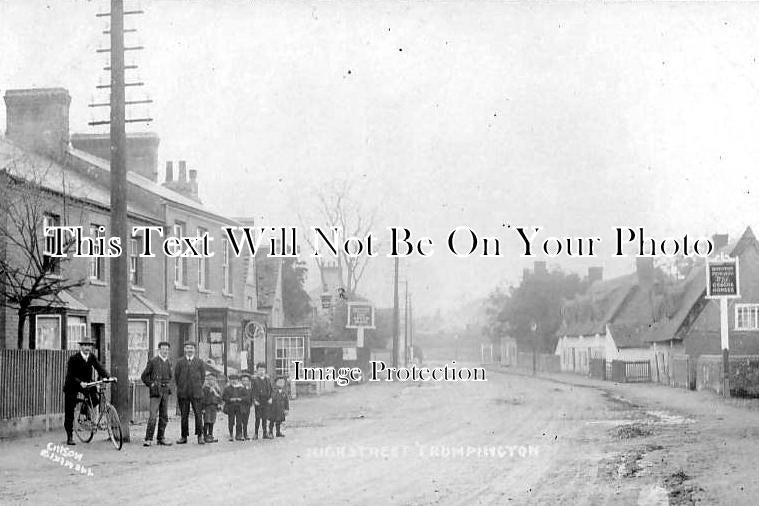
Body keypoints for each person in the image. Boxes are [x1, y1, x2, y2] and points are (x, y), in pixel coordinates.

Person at [63, 336, 110, 446]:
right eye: (84, 345)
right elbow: (70, 375)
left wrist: (107, 376)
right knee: (69, 410)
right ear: (81, 347)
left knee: (95, 399)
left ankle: (85, 409)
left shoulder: (91, 357)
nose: (87, 348)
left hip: (87, 383)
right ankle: (69, 435)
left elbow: (99, 367)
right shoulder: (73, 359)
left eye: (89, 345)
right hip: (73, 384)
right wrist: (80, 383)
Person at [140, 341, 173, 447]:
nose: (165, 351)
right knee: (153, 416)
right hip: (155, 392)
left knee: (164, 416)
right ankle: (148, 438)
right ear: (159, 350)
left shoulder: (168, 362)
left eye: (167, 349)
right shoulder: (153, 361)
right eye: (163, 349)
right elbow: (144, 376)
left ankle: (161, 438)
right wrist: (151, 384)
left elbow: (170, 376)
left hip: (165, 392)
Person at [174, 342, 206, 445]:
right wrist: (181, 388)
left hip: (196, 393)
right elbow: (176, 376)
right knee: (184, 415)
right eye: (187, 348)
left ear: (194, 350)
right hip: (183, 393)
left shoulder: (199, 362)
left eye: (191, 348)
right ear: (184, 349)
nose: (189, 350)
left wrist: (197, 387)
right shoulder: (179, 362)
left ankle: (200, 436)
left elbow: (203, 377)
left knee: (198, 414)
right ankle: (184, 436)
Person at [251, 362, 273, 439]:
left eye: (263, 370)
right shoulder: (255, 380)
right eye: (260, 370)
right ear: (257, 370)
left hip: (266, 401)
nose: (261, 371)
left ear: (265, 370)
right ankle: (256, 433)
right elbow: (252, 391)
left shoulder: (267, 380)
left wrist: (270, 398)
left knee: (265, 417)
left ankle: (265, 433)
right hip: (258, 401)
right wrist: (254, 400)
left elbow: (271, 390)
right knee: (257, 418)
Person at [222, 374, 245, 441]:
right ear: (229, 381)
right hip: (230, 406)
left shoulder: (241, 388)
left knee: (239, 421)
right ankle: (231, 434)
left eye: (235, 380)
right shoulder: (227, 388)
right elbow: (223, 397)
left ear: (238, 380)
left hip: (239, 407)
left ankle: (239, 434)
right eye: (231, 380)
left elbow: (245, 396)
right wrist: (229, 399)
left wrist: (240, 398)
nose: (233, 381)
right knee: (231, 421)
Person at [201, 372, 222, 443]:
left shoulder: (217, 389)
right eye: (209, 379)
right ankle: (205, 436)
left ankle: (210, 435)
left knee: (212, 421)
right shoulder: (205, 389)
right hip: (207, 407)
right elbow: (203, 399)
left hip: (214, 407)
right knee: (207, 421)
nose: (211, 381)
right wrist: (203, 408)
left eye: (213, 379)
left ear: (215, 380)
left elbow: (219, 398)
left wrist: (219, 404)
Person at [240, 373, 253, 440]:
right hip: (241, 406)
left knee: (246, 421)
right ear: (241, 381)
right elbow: (240, 397)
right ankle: (240, 434)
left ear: (249, 382)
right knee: (240, 421)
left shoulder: (250, 389)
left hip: (247, 406)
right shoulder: (240, 389)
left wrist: (251, 403)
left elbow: (251, 397)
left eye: (246, 380)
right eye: (243, 380)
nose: (245, 382)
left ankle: (245, 434)